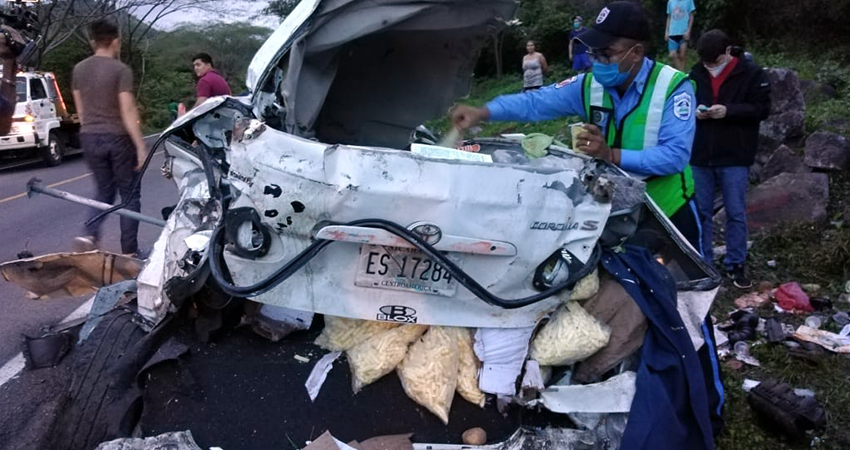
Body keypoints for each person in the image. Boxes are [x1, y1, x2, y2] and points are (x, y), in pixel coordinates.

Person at [453, 1, 702, 252]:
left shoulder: (673, 87)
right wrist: (484, 112)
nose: (597, 62)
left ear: (636, 52)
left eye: (606, 53)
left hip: (667, 210)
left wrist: (611, 155)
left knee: (684, 286)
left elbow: (675, 156)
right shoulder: (588, 85)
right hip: (615, 210)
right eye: (594, 53)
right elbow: (537, 102)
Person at [690, 30, 771, 289]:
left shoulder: (751, 73)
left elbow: (762, 109)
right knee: (700, 212)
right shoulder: (696, 73)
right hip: (701, 154)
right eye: (706, 63)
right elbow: (683, 103)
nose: (710, 67)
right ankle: (703, 264)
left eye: (714, 62)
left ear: (727, 53)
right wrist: (696, 112)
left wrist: (729, 111)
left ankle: (736, 264)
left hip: (735, 154)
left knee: (735, 211)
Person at [72, 20, 148, 256]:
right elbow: (127, 110)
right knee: (129, 195)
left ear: (94, 41)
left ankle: (89, 234)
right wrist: (140, 146)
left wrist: (92, 133)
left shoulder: (79, 69)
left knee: (104, 191)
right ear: (116, 40)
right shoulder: (120, 70)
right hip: (118, 138)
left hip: (90, 136)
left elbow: (81, 111)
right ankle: (129, 252)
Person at [665, 0, 695, 71]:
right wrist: (667, 31)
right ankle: (681, 73)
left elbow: (691, 16)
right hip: (672, 32)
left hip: (683, 32)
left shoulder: (689, 1)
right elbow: (669, 17)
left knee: (682, 56)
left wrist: (688, 31)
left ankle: (682, 74)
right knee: (672, 55)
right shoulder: (670, 2)